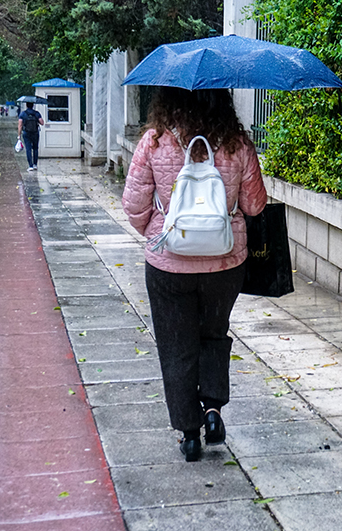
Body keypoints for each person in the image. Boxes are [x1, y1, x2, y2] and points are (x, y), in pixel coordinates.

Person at [121, 87, 267, 462]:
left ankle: (189, 434)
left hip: (169, 265)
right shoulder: (237, 144)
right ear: (221, 99)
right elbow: (254, 204)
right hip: (225, 264)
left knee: (176, 347)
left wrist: (159, 231)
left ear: (167, 99)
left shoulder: (154, 141)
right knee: (213, 335)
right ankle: (213, 411)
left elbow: (134, 205)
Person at [17, 102, 44, 171]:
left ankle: (30, 166)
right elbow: (42, 123)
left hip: (26, 133)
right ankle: (35, 164)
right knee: (35, 148)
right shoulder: (36, 113)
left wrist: (19, 135)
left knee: (28, 149)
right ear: (33, 105)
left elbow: (20, 125)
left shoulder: (23, 114)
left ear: (26, 105)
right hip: (35, 133)